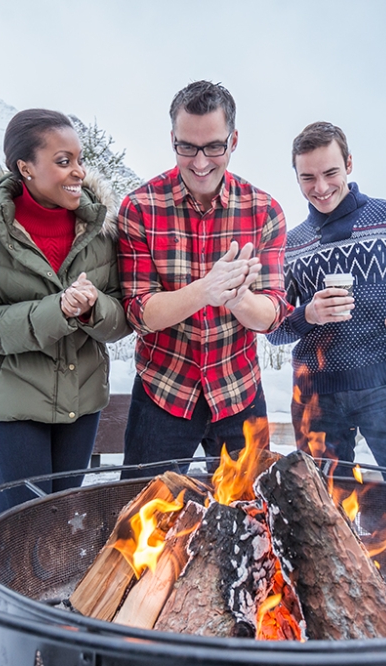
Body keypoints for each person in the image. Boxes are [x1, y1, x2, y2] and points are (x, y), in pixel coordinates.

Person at [0, 108, 130, 665]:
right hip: (12, 407)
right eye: (62, 161)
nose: (77, 171)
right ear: (25, 167)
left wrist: (93, 310)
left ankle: (50, 647)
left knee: (62, 532)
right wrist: (55, 311)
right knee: (20, 535)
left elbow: (123, 315)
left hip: (80, 405)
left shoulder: (100, 227)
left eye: (79, 160)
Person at [117, 81, 290, 478]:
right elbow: (139, 313)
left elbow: (272, 315)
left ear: (234, 141)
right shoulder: (140, 208)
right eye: (187, 147)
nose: (199, 162)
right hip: (163, 392)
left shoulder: (264, 211)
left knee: (252, 510)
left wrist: (238, 299)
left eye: (213, 147)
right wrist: (204, 290)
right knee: (141, 509)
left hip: (239, 391)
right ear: (172, 139)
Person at [267, 121, 386, 489]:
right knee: (322, 511)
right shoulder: (290, 244)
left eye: (330, 173)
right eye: (308, 178)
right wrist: (308, 314)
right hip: (315, 397)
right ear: (296, 177)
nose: (320, 188)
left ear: (349, 163)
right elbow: (274, 329)